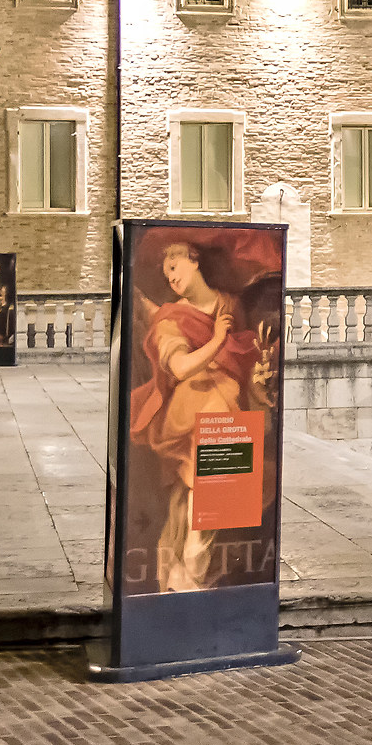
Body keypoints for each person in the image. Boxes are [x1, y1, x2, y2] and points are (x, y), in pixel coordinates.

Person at [126, 238, 276, 591]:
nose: (171, 278)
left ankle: (175, 574)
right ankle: (190, 577)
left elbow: (247, 357)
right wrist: (217, 340)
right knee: (203, 494)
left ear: (193, 260)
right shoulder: (170, 319)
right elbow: (179, 368)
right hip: (195, 407)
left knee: (191, 496)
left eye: (174, 267)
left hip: (228, 413)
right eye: (166, 274)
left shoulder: (230, 303)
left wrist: (260, 381)